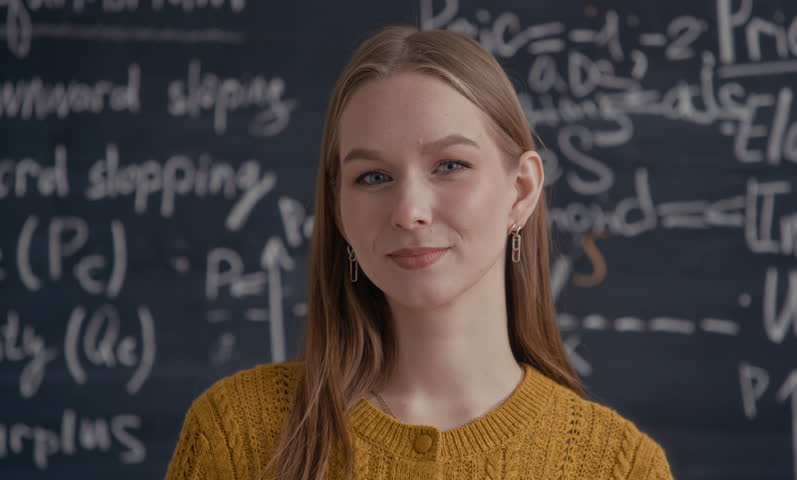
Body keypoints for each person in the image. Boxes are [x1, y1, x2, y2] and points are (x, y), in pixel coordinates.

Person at [165, 25, 674, 480]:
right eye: (373, 177)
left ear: (521, 190)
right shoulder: (235, 434)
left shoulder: (618, 466)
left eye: (450, 165)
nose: (409, 211)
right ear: (339, 210)